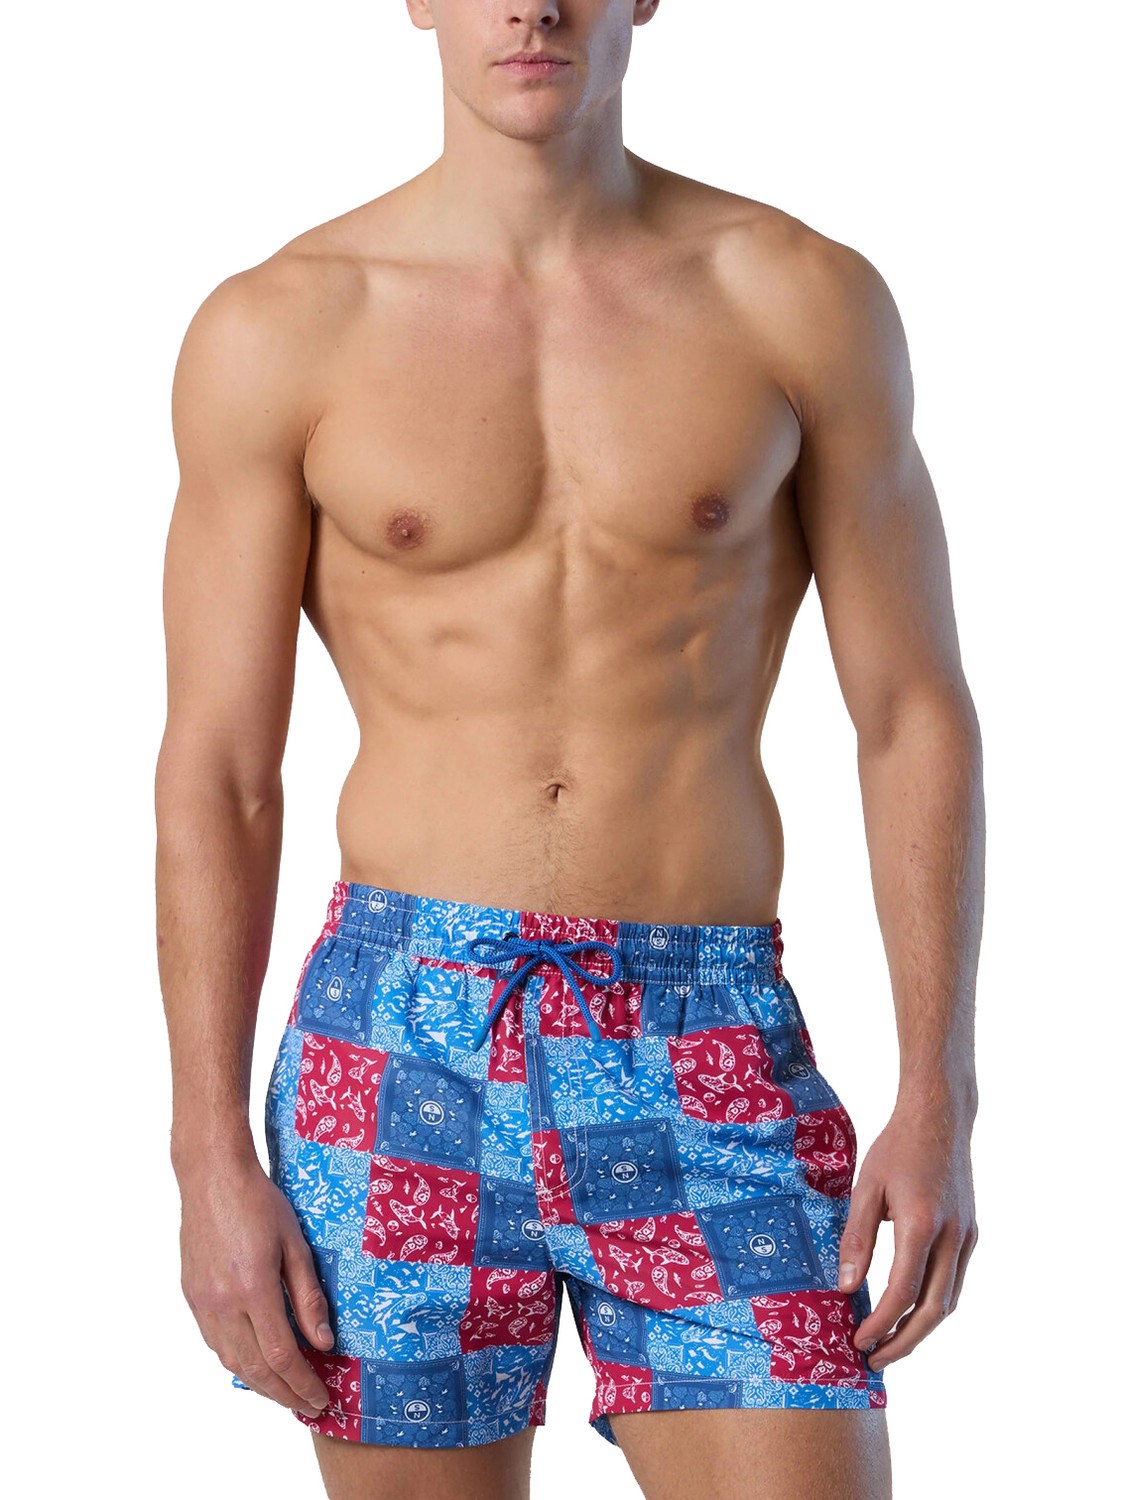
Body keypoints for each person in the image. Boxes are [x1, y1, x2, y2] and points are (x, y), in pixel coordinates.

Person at [155, 3, 982, 1497]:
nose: (532, 5)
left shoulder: (796, 298)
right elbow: (221, 768)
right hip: (400, 1035)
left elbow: (910, 709)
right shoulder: (283, 327)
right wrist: (205, 1150)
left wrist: (940, 1092)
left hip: (700, 1027)